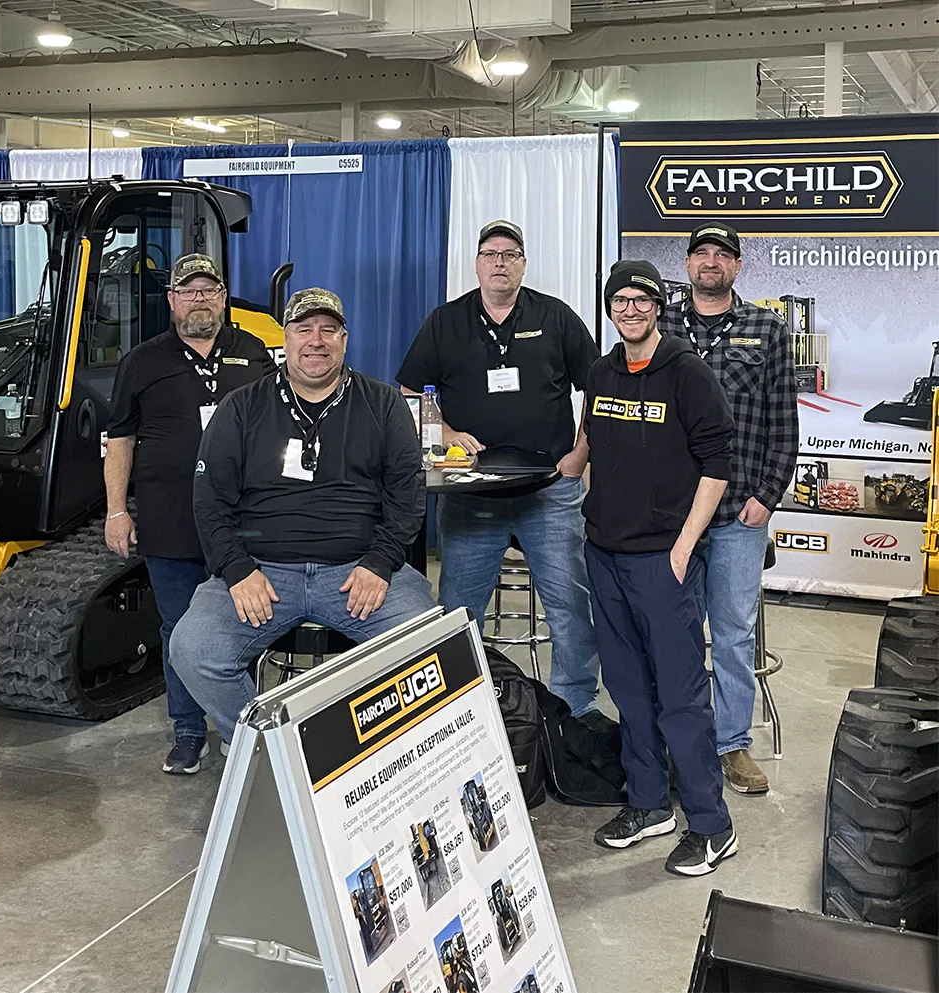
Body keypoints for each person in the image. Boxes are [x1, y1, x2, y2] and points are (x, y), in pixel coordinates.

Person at [169, 288, 436, 747]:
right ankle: (269, 751)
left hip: (357, 573)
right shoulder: (243, 406)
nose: (317, 340)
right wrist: (237, 571)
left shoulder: (384, 404)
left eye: (328, 330)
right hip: (262, 573)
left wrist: (380, 562)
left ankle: (371, 759)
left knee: (429, 647)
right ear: (285, 340)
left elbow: (407, 492)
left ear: (345, 340)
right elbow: (210, 497)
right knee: (193, 649)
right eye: (304, 329)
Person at [396, 220, 601, 716]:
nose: (500, 263)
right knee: (458, 615)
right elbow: (411, 391)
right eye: (491, 254)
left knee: (571, 611)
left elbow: (599, 390)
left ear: (524, 263)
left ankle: (574, 712)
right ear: (477, 263)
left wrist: (579, 455)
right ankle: (462, 714)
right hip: (472, 496)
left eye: (510, 254)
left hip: (550, 493)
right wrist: (442, 433)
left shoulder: (555, 317)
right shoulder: (446, 322)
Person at [584, 260, 738, 876]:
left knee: (680, 695)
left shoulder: (687, 373)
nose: (630, 309)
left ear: (658, 306)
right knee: (626, 688)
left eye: (641, 300)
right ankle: (649, 805)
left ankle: (711, 824)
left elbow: (717, 463)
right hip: (605, 554)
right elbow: (589, 441)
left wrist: (683, 546)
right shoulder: (601, 371)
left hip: (662, 561)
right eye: (619, 300)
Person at [104, 253, 274, 775]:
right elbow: (120, 439)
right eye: (189, 291)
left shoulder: (254, 353)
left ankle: (240, 727)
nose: (200, 299)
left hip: (242, 522)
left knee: (250, 624)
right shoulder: (142, 361)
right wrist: (116, 511)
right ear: (172, 300)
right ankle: (187, 730)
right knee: (179, 630)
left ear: (223, 298)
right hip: (169, 520)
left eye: (209, 290)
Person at [661, 222, 798, 795]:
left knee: (735, 632)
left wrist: (767, 495)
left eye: (722, 255)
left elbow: (783, 420)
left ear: (737, 267)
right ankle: (681, 740)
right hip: (673, 516)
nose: (710, 262)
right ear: (688, 263)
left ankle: (732, 744)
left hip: (739, 512)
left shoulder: (766, 327)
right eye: (701, 253)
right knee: (677, 630)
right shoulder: (660, 321)